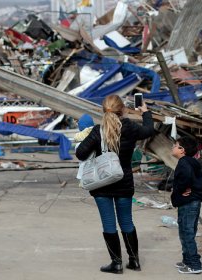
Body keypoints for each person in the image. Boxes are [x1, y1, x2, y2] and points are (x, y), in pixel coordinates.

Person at [75, 95, 154, 274]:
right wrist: (146, 112)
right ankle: (134, 261)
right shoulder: (130, 127)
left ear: (103, 110)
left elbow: (80, 154)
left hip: (101, 184)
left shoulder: (98, 130)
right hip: (124, 181)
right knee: (127, 221)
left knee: (109, 224)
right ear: (123, 109)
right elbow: (149, 130)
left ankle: (116, 263)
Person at [171, 136, 202, 274]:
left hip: (188, 203)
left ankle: (194, 265)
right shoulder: (191, 161)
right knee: (185, 232)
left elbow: (186, 178)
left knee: (187, 233)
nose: (172, 148)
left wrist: (182, 189)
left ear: (182, 150)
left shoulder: (184, 163)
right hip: (191, 202)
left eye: (175, 145)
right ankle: (187, 260)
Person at [74, 114, 95, 185]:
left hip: (84, 171)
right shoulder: (98, 137)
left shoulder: (78, 143)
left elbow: (79, 156)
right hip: (98, 170)